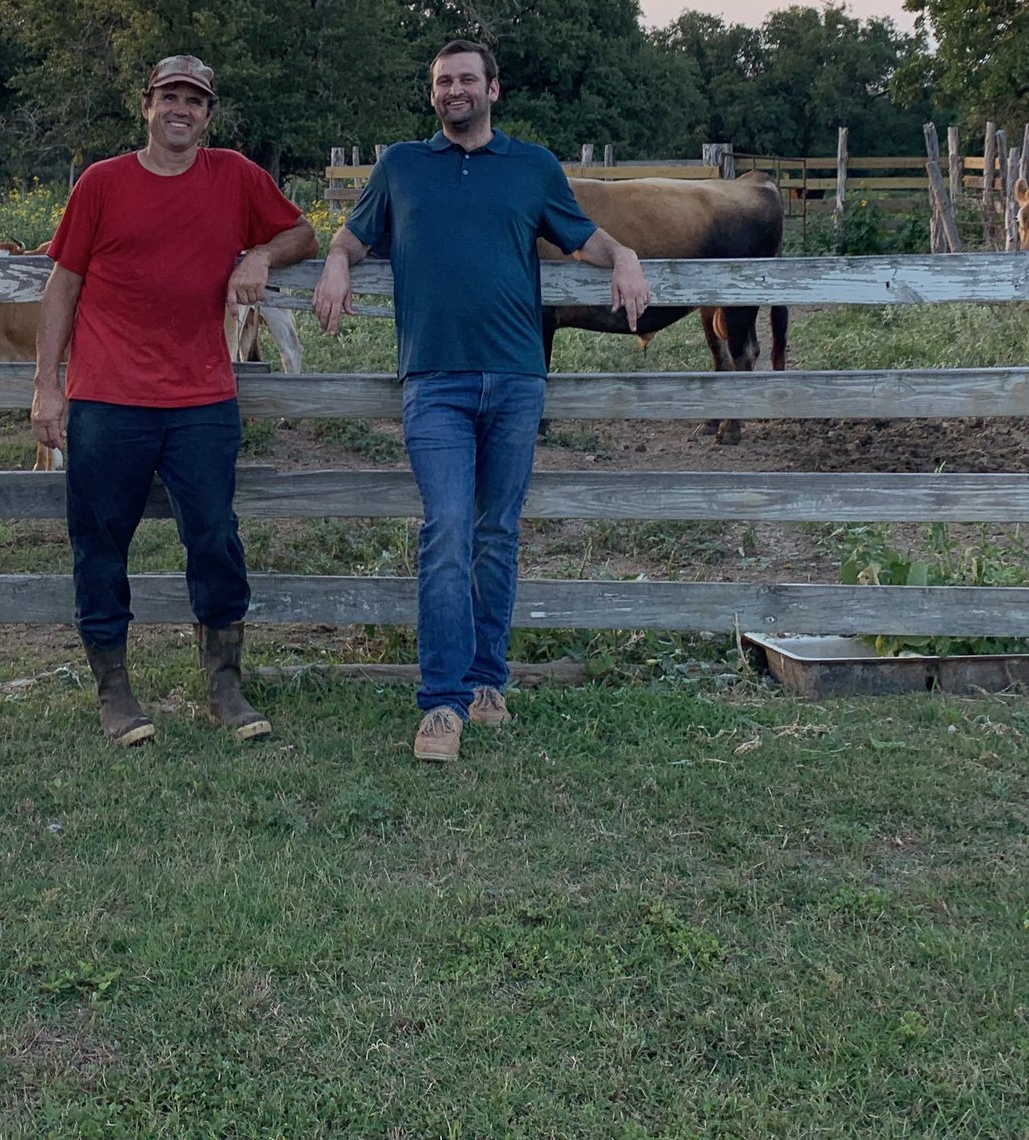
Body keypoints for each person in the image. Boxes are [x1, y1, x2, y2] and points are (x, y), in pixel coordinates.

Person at [311, 40, 650, 763]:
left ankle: (486, 682)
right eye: (443, 81)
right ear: (433, 93)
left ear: (494, 88)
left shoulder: (532, 166)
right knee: (448, 528)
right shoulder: (402, 165)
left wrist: (624, 256)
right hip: (434, 379)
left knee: (497, 532)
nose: (455, 90)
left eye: (468, 78)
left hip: (518, 377)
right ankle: (441, 702)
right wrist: (336, 263)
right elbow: (351, 237)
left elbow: (583, 237)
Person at [32, 54, 319, 747]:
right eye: (170, 97)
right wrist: (46, 384)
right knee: (99, 542)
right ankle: (114, 688)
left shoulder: (236, 177)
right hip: (107, 395)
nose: (181, 109)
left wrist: (260, 257)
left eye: (195, 99)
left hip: (201, 395)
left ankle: (223, 680)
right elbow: (62, 286)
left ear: (209, 114)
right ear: (147, 106)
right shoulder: (102, 183)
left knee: (215, 535)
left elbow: (304, 232)